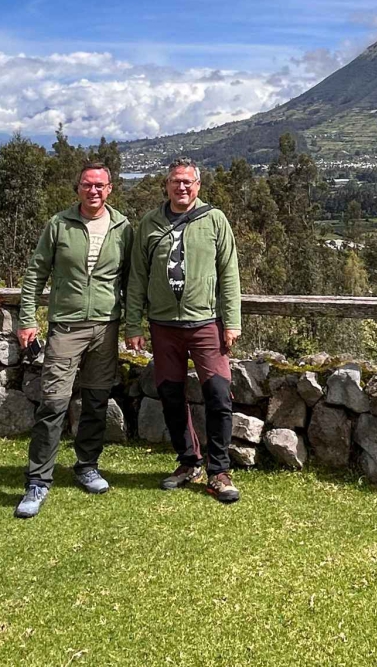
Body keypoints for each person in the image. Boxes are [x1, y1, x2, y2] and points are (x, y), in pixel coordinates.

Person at [12, 162, 131, 518]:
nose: (93, 191)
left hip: (106, 327)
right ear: (77, 188)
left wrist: (134, 322)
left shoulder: (123, 227)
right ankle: (37, 481)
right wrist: (27, 318)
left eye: (100, 185)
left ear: (110, 188)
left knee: (96, 400)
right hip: (66, 326)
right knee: (53, 403)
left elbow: (132, 279)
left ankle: (86, 466)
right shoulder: (59, 224)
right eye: (86, 185)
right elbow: (36, 273)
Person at [125, 158, 243, 503]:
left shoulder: (215, 220)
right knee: (171, 396)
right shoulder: (149, 223)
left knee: (219, 396)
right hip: (163, 326)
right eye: (176, 181)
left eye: (188, 182)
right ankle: (188, 462)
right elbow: (137, 279)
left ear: (198, 186)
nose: (182, 187)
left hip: (206, 322)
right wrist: (134, 323)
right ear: (166, 185)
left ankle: (219, 471)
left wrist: (231, 321)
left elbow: (229, 274)